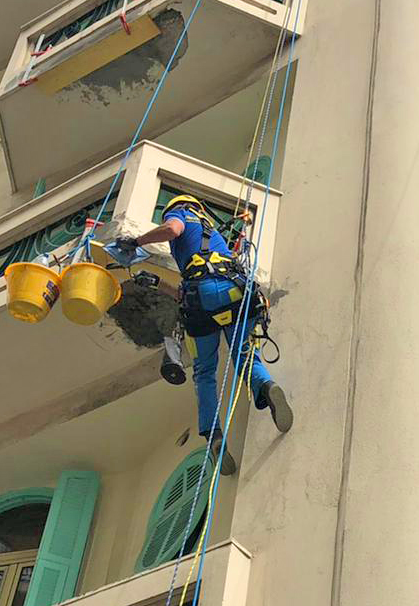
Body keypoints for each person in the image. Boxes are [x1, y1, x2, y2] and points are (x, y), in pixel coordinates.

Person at [115, 195, 292, 473]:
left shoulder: (181, 214)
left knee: (205, 372)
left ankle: (214, 435)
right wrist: (158, 282)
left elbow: (172, 230)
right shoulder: (213, 235)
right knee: (245, 355)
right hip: (235, 292)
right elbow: (193, 287)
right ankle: (267, 386)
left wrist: (136, 242)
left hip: (202, 300)